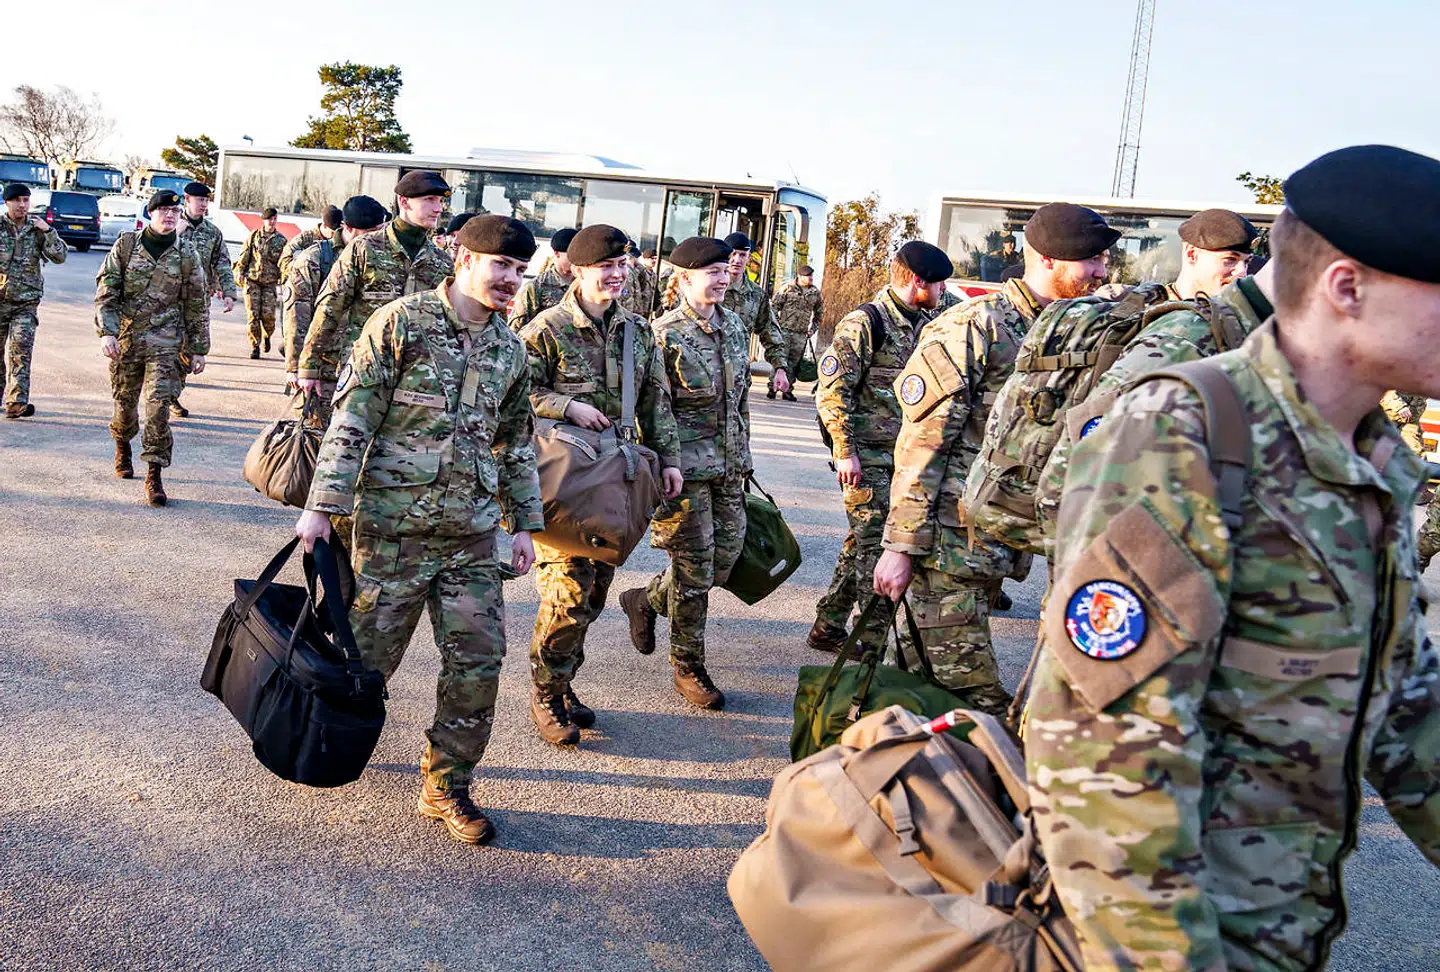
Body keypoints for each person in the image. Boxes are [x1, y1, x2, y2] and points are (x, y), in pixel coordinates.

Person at [1026, 144, 1440, 972]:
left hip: (1281, 929)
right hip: (1174, 941)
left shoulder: (1377, 460)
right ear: (1347, 288)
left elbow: (1403, 706)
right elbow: (1103, 763)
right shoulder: (1183, 435)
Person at [294, 214, 544, 846]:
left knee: (478, 662)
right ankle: (311, 736)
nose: (512, 280)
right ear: (462, 257)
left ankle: (448, 785)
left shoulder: (511, 349)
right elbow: (354, 417)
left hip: (471, 536)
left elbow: (515, 443)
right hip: (392, 531)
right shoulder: (401, 323)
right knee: (365, 662)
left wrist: (524, 526)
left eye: (521, 270)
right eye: (502, 266)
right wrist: (321, 504)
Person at [872, 204, 1122, 712]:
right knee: (973, 702)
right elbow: (923, 443)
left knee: (919, 692)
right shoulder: (976, 324)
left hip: (994, 544)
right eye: (1091, 261)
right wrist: (900, 545)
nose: (1102, 272)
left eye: (1104, 260)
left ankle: (896, 776)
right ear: (1049, 259)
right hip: (944, 543)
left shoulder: (1073, 330)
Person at [520, 224, 683, 744]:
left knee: (592, 594)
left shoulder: (638, 331)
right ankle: (545, 695)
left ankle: (563, 685)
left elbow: (659, 401)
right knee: (566, 596)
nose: (617, 274)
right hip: (564, 486)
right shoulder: (546, 328)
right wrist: (565, 405)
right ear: (579, 270)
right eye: (605, 267)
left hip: (615, 483)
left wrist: (671, 463)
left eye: (623, 265)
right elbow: (513, 393)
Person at [619, 236, 751, 709]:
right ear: (684, 278)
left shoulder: (735, 327)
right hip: (684, 472)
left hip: (730, 468)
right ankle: (688, 665)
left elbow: (739, 404)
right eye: (710, 272)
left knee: (724, 562)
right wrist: (661, 468)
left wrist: (744, 459)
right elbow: (651, 411)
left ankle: (647, 598)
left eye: (725, 271)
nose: (721, 278)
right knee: (695, 572)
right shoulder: (663, 334)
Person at [809, 240, 951, 656]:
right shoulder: (865, 322)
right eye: (939, 285)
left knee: (863, 538)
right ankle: (871, 644)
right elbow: (832, 393)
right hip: (864, 456)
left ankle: (828, 625)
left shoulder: (929, 318)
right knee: (879, 549)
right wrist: (844, 451)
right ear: (918, 281)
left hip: (905, 458)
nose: (944, 292)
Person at [95, 189, 210, 506]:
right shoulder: (127, 245)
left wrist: (199, 347)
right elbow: (107, 291)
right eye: (163, 211)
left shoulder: (187, 253)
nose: (170, 216)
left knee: (158, 409)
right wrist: (107, 332)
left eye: (174, 212)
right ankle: (122, 443)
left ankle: (154, 475)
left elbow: (197, 304)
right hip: (127, 341)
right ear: (151, 213)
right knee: (124, 407)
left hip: (166, 343)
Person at [295, 170, 454, 396]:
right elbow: (330, 307)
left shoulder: (442, 262)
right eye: (429, 200)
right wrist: (308, 368)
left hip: (414, 382)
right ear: (404, 202)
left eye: (440, 201)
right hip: (363, 372)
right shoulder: (364, 248)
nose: (438, 208)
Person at [283, 195, 388, 425]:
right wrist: (296, 368)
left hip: (364, 368)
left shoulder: (379, 259)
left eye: (379, 230)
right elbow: (296, 316)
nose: (376, 237)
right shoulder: (314, 259)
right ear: (347, 228)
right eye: (369, 231)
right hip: (324, 370)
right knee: (315, 438)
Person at [168, 182, 236, 418]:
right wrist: (175, 231)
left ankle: (171, 393)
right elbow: (151, 251)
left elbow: (223, 263)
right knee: (166, 348)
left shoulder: (212, 232)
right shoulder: (170, 225)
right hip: (169, 299)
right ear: (187, 200)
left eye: (207, 201)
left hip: (198, 301)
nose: (204, 205)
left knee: (191, 351)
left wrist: (229, 292)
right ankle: (165, 396)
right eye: (200, 200)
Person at [0, 183, 66, 419]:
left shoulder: (37, 228)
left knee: (21, 351)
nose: (22, 205)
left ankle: (16, 402)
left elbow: (59, 256)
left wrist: (49, 231)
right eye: (16, 200)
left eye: (25, 200)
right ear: (6, 202)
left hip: (25, 303)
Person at [719, 232, 789, 396]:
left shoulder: (756, 295)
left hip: (738, 380)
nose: (737, 260)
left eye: (742, 255)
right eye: (733, 254)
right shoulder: (711, 289)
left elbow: (770, 332)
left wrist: (780, 368)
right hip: (705, 377)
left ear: (749, 258)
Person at [1169, 208, 1258, 300]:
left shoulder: (1242, 313)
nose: (1242, 272)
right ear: (1192, 254)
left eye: (1246, 262)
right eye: (1230, 259)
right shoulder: (1155, 311)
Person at [233, 207, 287, 359]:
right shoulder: (254, 236)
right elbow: (245, 255)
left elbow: (284, 263)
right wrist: (240, 273)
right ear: (264, 220)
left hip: (270, 282)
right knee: (252, 315)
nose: (272, 221)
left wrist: (284, 282)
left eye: (275, 218)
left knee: (268, 316)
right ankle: (255, 345)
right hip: (253, 280)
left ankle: (267, 335)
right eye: (270, 219)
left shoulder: (281, 240)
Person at [768, 264, 823, 401]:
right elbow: (774, 307)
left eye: (811, 276)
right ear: (800, 276)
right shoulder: (787, 289)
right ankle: (772, 387)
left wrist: (812, 329)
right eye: (808, 276)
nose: (811, 278)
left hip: (801, 334)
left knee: (793, 363)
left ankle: (787, 390)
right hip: (784, 331)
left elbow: (819, 314)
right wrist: (776, 326)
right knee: (780, 360)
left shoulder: (815, 293)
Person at [510, 227, 577, 331]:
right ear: (557, 253)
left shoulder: (583, 284)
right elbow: (516, 329)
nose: (575, 259)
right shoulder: (536, 287)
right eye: (571, 255)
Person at [278, 205, 340, 282]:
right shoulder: (305, 238)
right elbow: (284, 262)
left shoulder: (337, 242)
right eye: (332, 232)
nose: (335, 235)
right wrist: (304, 268)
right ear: (324, 225)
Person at [1380, 389, 1427, 453]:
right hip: (1389, 418)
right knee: (1381, 450)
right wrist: (1399, 407)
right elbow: (1386, 391)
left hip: (1410, 421)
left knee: (1416, 451)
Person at [621, 240, 657, 320]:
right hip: (629, 315)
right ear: (633, 257)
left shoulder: (636, 270)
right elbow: (627, 298)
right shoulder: (628, 272)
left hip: (637, 313)